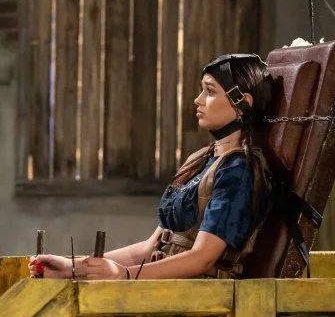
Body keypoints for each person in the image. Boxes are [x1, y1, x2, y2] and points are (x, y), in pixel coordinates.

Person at [29, 53, 274, 280]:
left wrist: (124, 276)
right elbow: (151, 247)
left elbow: (203, 258)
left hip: (203, 296)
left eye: (209, 91)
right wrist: (72, 267)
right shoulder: (201, 160)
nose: (197, 100)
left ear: (243, 102)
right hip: (165, 289)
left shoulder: (239, 173)